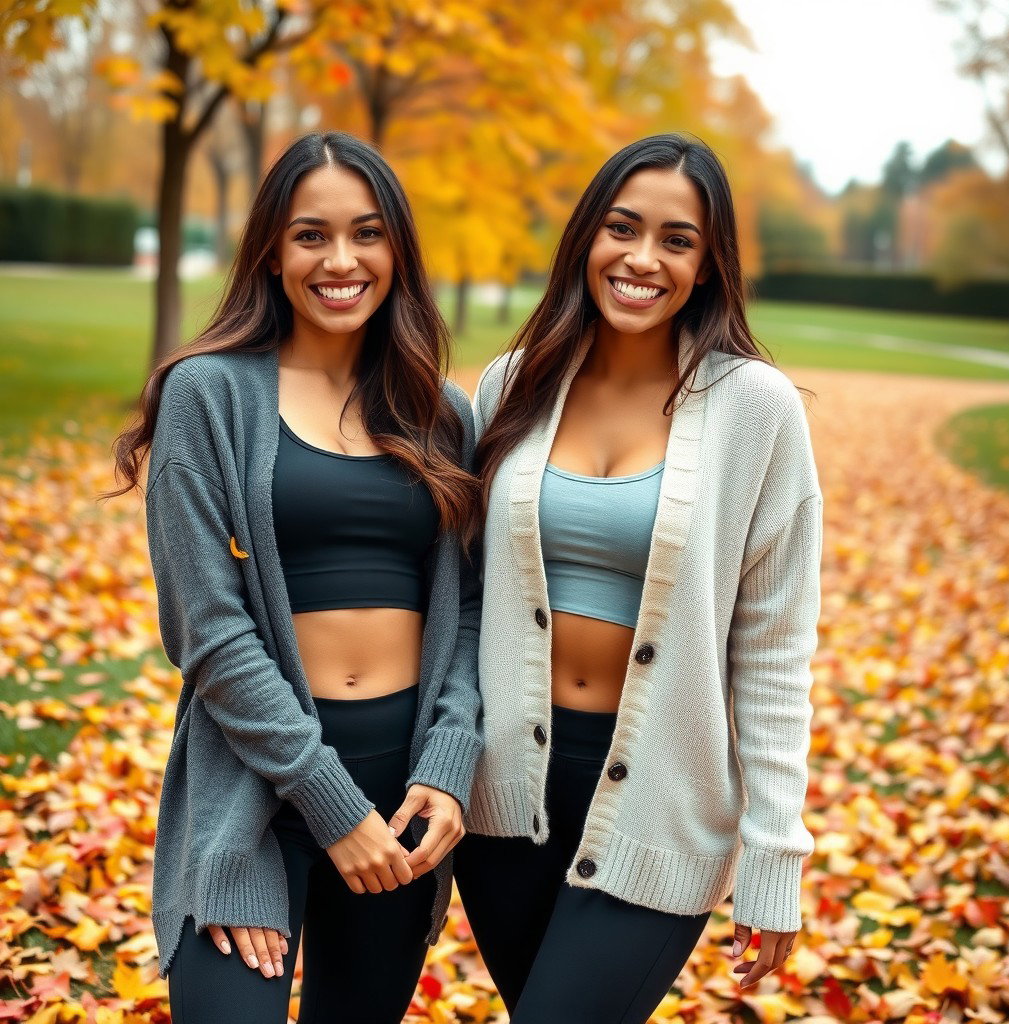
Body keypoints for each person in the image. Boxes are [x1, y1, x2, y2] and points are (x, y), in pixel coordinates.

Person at [108, 131, 483, 1024]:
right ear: (272, 252)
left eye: (367, 233)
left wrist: (450, 759)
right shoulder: (208, 395)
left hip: (401, 806)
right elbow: (207, 628)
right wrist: (326, 800)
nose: (341, 259)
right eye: (311, 234)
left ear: (398, 250)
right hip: (257, 788)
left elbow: (469, 614)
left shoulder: (442, 412)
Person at [453, 133, 823, 1023]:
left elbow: (774, 652)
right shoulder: (510, 386)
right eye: (623, 228)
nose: (643, 258)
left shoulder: (755, 410)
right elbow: (459, 601)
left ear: (708, 264)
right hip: (504, 802)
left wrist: (775, 856)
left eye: (677, 240)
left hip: (662, 803)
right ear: (588, 235)